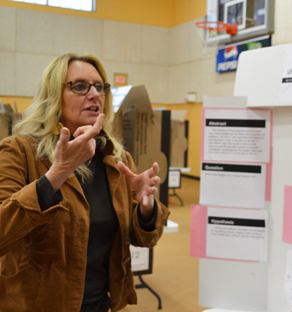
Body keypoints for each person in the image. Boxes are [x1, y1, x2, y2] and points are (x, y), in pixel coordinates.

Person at [0, 52, 170, 312]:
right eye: (80, 86)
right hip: (36, 303)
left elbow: (143, 240)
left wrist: (146, 208)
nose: (95, 94)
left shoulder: (117, 158)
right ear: (54, 95)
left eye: (100, 87)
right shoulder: (19, 151)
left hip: (98, 304)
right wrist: (57, 174)